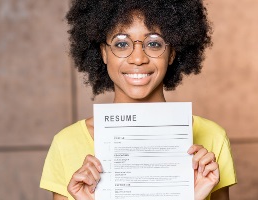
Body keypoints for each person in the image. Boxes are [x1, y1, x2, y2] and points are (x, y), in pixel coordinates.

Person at [40, 0, 237, 199]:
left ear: (171, 53)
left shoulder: (212, 138)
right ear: (104, 52)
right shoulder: (67, 143)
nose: (137, 58)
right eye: (122, 43)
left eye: (153, 43)